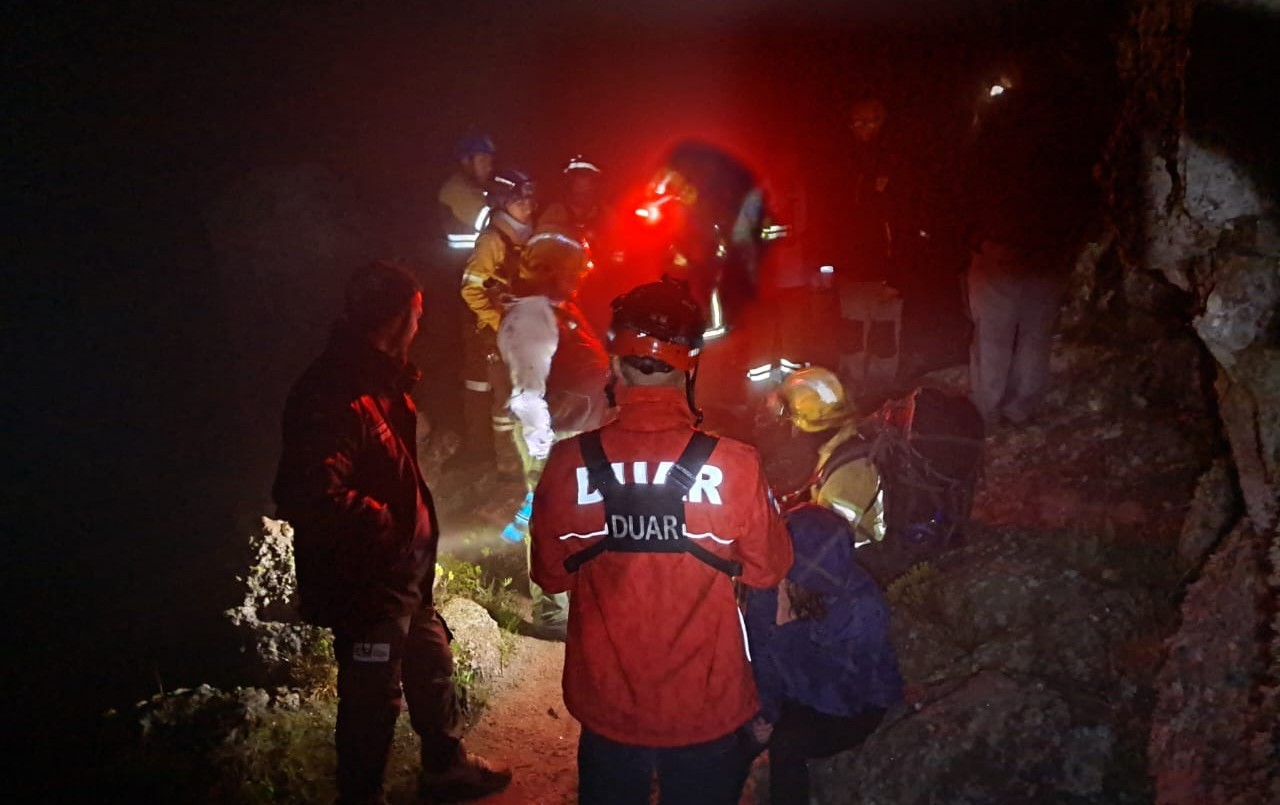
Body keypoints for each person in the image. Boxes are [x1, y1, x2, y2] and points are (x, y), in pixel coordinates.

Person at [528, 278, 794, 805]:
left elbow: (549, 575)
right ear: (690, 364)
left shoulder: (567, 464)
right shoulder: (735, 465)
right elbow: (768, 571)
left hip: (606, 704)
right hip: (707, 706)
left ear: (614, 362)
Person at [272, 261, 511, 805]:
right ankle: (361, 796)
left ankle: (444, 767)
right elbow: (305, 491)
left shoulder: (378, 379)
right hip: (366, 580)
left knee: (431, 661)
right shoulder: (336, 391)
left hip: (402, 573)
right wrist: (385, 527)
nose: (420, 328)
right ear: (399, 317)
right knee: (372, 695)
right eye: (418, 315)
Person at [961, 64, 1099, 427]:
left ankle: (986, 410)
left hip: (1001, 244)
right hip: (1048, 248)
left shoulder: (998, 125)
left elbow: (971, 172)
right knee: (1036, 334)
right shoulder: (1065, 128)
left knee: (993, 334)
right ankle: (1022, 407)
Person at [741, 504, 904, 805]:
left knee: (788, 743)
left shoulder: (859, 606)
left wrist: (787, 634)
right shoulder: (766, 589)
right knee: (730, 740)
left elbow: (842, 699)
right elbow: (761, 659)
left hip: (855, 703)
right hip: (795, 692)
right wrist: (764, 714)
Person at [496, 225, 612, 636]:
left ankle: (571, 598)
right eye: (574, 269)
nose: (581, 275)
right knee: (550, 519)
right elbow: (528, 391)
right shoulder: (532, 316)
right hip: (554, 437)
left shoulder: (557, 308)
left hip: (575, 433)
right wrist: (543, 449)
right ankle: (551, 613)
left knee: (575, 517)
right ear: (552, 270)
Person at [459, 169, 537, 477]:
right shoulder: (492, 240)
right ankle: (507, 467)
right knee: (505, 400)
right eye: (520, 201)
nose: (528, 206)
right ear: (503, 202)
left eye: (530, 199)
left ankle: (526, 462)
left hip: (525, 331)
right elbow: (470, 288)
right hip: (498, 334)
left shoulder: (527, 234)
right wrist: (498, 321)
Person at [428, 134, 496, 460]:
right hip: (460, 290)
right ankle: (476, 445)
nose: (489, 166)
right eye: (482, 159)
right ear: (465, 161)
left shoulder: (477, 191)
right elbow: (491, 222)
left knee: (482, 364)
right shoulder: (456, 190)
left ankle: (480, 440)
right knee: (474, 368)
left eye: (490, 160)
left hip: (474, 287)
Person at [773, 367, 885, 546]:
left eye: (796, 422)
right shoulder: (834, 449)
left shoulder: (850, 473)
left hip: (857, 558)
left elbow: (826, 540)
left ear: (817, 425)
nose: (793, 430)